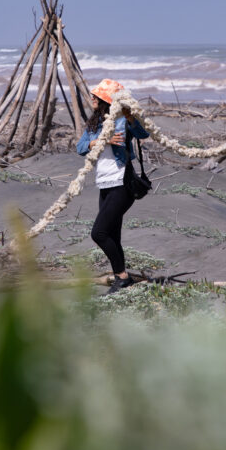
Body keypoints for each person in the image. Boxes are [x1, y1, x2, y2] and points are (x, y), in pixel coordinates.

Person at [76, 79, 150, 294]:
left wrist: (131, 118)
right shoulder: (94, 123)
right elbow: (81, 147)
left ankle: (122, 277)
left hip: (122, 182)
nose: (92, 99)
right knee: (112, 234)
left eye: (96, 96)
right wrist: (100, 140)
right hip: (104, 183)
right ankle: (122, 280)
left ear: (106, 100)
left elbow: (143, 135)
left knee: (98, 233)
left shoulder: (122, 119)